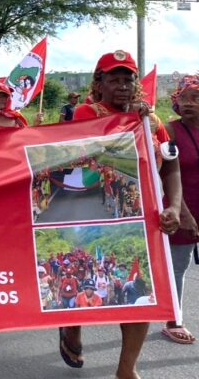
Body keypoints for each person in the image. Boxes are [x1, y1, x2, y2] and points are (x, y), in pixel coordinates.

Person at [58, 50, 183, 379]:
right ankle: (71, 327)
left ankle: (126, 369)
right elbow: (86, 152)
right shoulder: (87, 112)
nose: (123, 86)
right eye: (114, 79)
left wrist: (174, 206)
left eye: (128, 79)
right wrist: (130, 121)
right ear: (99, 84)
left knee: (139, 292)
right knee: (85, 283)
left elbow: (171, 165)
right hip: (92, 215)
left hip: (141, 218)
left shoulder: (151, 121)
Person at [163, 74, 199, 344]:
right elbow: (166, 174)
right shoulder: (170, 131)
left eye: (195, 98)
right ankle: (173, 320)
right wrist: (183, 213)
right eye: (183, 98)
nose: (188, 103)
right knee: (178, 265)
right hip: (183, 209)